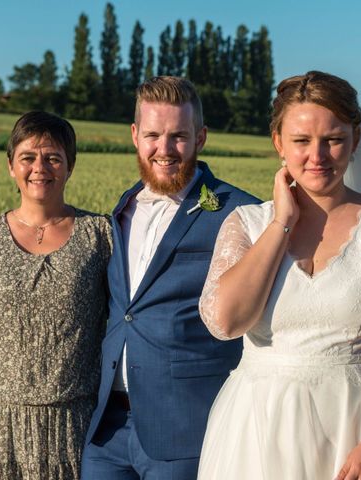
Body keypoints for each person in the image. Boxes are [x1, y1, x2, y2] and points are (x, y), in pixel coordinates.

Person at [197, 71, 361, 480]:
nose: (317, 156)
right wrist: (282, 220)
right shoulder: (247, 223)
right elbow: (226, 322)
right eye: (301, 141)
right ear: (279, 143)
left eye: (333, 139)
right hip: (257, 434)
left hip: (357, 432)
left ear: (355, 140)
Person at [80, 76, 259, 480]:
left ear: (201, 138)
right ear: (134, 136)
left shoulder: (240, 212)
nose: (164, 149)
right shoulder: (122, 208)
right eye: (153, 135)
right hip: (107, 429)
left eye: (178, 136)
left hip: (184, 427)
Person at [0, 111, 112, 479]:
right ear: (11, 165)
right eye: (28, 157)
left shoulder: (101, 235)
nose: (39, 167)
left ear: (70, 166)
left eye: (53, 157)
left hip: (74, 422)